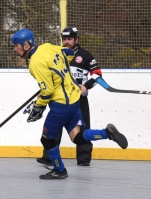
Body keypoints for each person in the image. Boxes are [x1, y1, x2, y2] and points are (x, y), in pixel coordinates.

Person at [11, 28, 128, 179]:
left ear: (26, 44)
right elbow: (70, 53)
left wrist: (39, 105)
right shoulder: (47, 46)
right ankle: (107, 133)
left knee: (46, 139)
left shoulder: (35, 63)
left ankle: (60, 171)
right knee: (77, 137)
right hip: (74, 98)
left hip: (61, 104)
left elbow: (47, 91)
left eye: (16, 45)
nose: (15, 49)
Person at [36, 26, 101, 167]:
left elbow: (97, 74)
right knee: (54, 126)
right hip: (60, 97)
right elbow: (49, 76)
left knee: (82, 127)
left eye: (69, 39)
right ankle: (48, 157)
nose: (66, 42)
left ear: (76, 39)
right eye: (64, 39)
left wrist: (86, 86)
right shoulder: (57, 54)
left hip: (79, 98)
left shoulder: (85, 55)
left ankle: (84, 159)